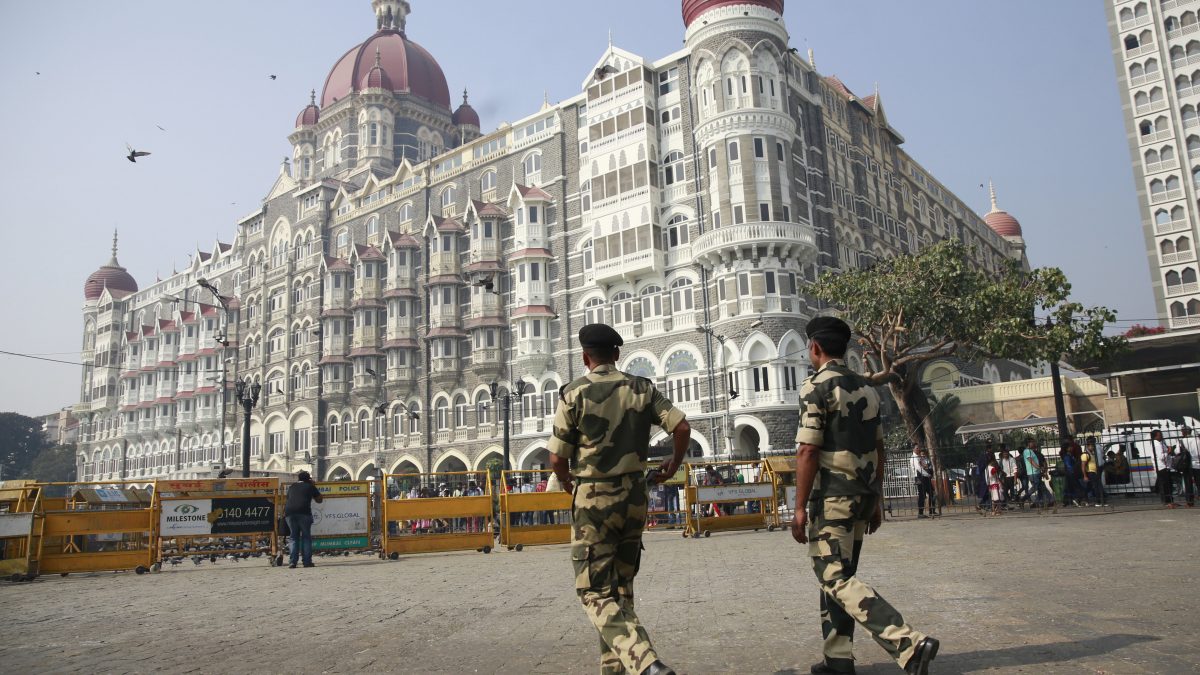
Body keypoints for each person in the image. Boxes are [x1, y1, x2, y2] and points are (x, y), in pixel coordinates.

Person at [790, 316, 938, 675]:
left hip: (833, 499)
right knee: (842, 577)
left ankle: (908, 642)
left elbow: (807, 451)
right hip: (861, 496)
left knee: (833, 577)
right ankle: (837, 659)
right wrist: (875, 499)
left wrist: (797, 507)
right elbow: (879, 449)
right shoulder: (869, 388)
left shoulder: (815, 387)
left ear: (815, 348)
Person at [548, 323, 691, 675]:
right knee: (620, 590)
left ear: (585, 357)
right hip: (634, 499)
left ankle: (647, 664)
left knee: (594, 592)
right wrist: (672, 463)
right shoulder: (642, 388)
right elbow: (682, 427)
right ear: (616, 354)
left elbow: (556, 457)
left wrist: (567, 481)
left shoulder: (574, 393)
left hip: (594, 502)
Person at [284, 470, 323, 569]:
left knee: (293, 537)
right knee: (306, 537)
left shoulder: (292, 486)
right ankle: (307, 562)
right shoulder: (310, 486)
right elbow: (319, 500)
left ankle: (292, 562)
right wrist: (313, 486)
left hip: (289, 513)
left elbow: (288, 498)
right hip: (304, 513)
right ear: (308, 479)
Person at [1022, 439, 1056, 512]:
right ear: (1029, 443)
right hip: (1032, 472)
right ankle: (1024, 498)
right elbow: (1031, 461)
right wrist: (1038, 467)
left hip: (1036, 472)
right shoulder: (1027, 451)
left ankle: (1049, 501)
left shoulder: (1031, 451)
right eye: (1033, 442)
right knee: (1035, 487)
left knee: (1042, 487)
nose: (1034, 443)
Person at [1152, 430, 1176, 508]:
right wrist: (1169, 451)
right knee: (1165, 486)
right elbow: (1161, 457)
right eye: (1159, 435)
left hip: (1166, 466)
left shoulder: (1161, 443)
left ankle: (1170, 501)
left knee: (1169, 485)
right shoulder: (1157, 445)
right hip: (1162, 467)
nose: (1161, 436)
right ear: (1155, 436)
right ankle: (1167, 502)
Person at [909, 446, 934, 519]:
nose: (918, 449)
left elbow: (925, 465)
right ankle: (920, 513)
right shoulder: (913, 458)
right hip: (920, 478)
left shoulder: (919, 457)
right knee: (922, 496)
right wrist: (927, 474)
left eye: (918, 448)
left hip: (925, 477)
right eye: (916, 448)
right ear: (913, 449)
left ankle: (932, 510)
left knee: (932, 493)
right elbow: (919, 468)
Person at [1079, 437, 1104, 506]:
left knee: (1090, 487)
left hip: (1095, 472)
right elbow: (1083, 466)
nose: (1093, 447)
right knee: (1096, 486)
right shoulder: (1085, 455)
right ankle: (1098, 500)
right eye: (1091, 446)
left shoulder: (1092, 453)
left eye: (1093, 445)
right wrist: (1085, 476)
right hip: (1091, 472)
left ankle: (1083, 498)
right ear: (1088, 446)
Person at [974, 442, 994, 511]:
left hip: (988, 475)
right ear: (988, 449)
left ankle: (983, 505)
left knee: (988, 492)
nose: (991, 449)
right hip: (984, 476)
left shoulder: (990, 455)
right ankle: (986, 505)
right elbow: (981, 466)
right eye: (990, 448)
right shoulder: (983, 456)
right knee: (987, 492)